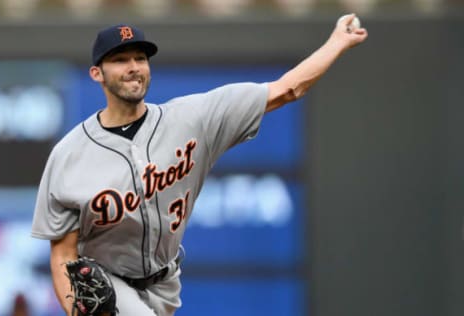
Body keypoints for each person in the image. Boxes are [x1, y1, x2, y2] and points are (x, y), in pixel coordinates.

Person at [31, 15, 367, 316]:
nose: (133, 66)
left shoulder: (192, 119)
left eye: (140, 57)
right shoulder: (69, 155)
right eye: (120, 60)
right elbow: (63, 256)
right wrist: (78, 309)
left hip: (166, 283)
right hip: (108, 282)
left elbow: (286, 90)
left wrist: (336, 42)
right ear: (97, 74)